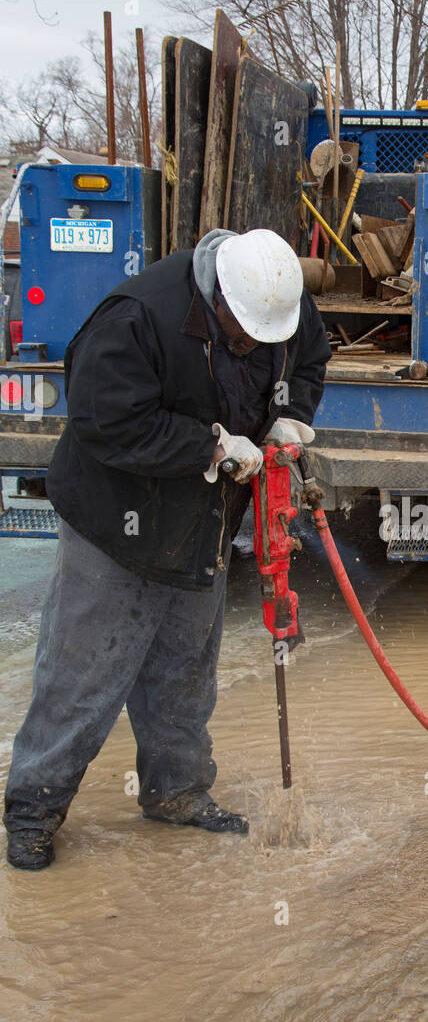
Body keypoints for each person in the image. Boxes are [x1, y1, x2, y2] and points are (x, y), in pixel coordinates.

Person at [4, 228, 331, 871]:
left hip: (204, 521)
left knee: (183, 672)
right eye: (243, 335)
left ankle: (176, 794)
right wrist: (210, 448)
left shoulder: (278, 305)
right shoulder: (138, 318)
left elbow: (307, 362)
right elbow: (105, 420)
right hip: (116, 521)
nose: (254, 345)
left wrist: (289, 416)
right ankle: (33, 811)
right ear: (219, 300)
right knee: (84, 676)